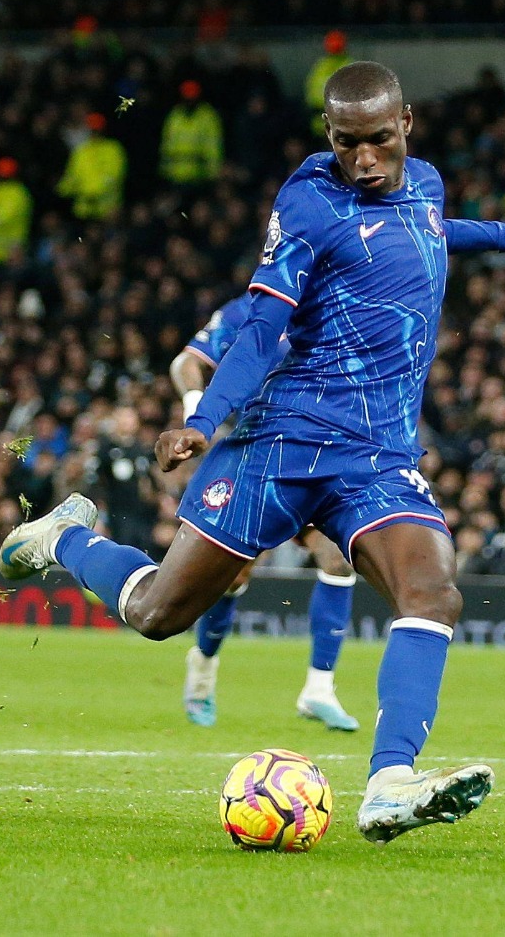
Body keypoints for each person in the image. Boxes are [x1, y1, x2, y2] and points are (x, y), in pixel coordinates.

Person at [0, 61, 505, 844]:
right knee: (154, 614)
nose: (366, 159)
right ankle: (66, 537)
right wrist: (207, 419)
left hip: (375, 458)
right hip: (281, 443)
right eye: (349, 144)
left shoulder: (428, 185)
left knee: (432, 594)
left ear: (407, 123)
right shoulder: (308, 203)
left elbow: (425, 230)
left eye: (380, 140)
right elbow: (264, 322)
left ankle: (389, 783)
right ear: (330, 137)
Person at [168, 293, 361, 731]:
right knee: (232, 576)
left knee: (337, 557)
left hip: (317, 456)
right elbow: (185, 363)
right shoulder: (249, 309)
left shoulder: (343, 305)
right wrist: (196, 408)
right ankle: (203, 667)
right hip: (254, 454)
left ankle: (319, 689)